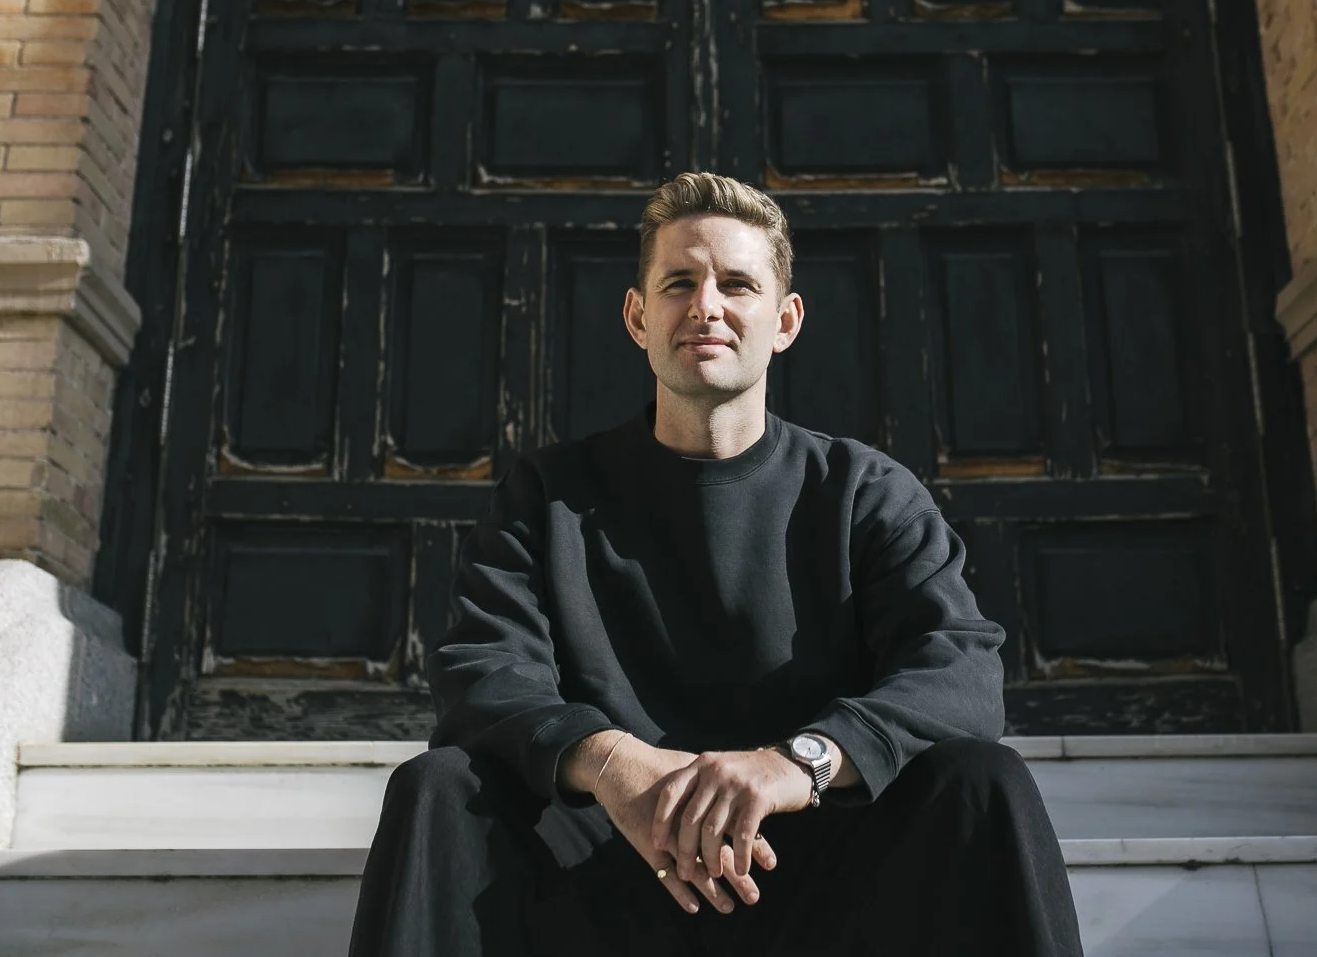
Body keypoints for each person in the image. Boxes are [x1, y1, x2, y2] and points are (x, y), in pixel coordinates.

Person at [348, 173, 1083, 957]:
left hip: (820, 878)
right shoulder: (548, 495)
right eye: (678, 282)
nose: (706, 305)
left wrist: (791, 764)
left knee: (981, 779)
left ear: (785, 319)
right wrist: (611, 763)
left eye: (736, 283)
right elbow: (481, 670)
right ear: (638, 316)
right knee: (438, 789)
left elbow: (961, 672)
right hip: (609, 869)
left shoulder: (865, 492)